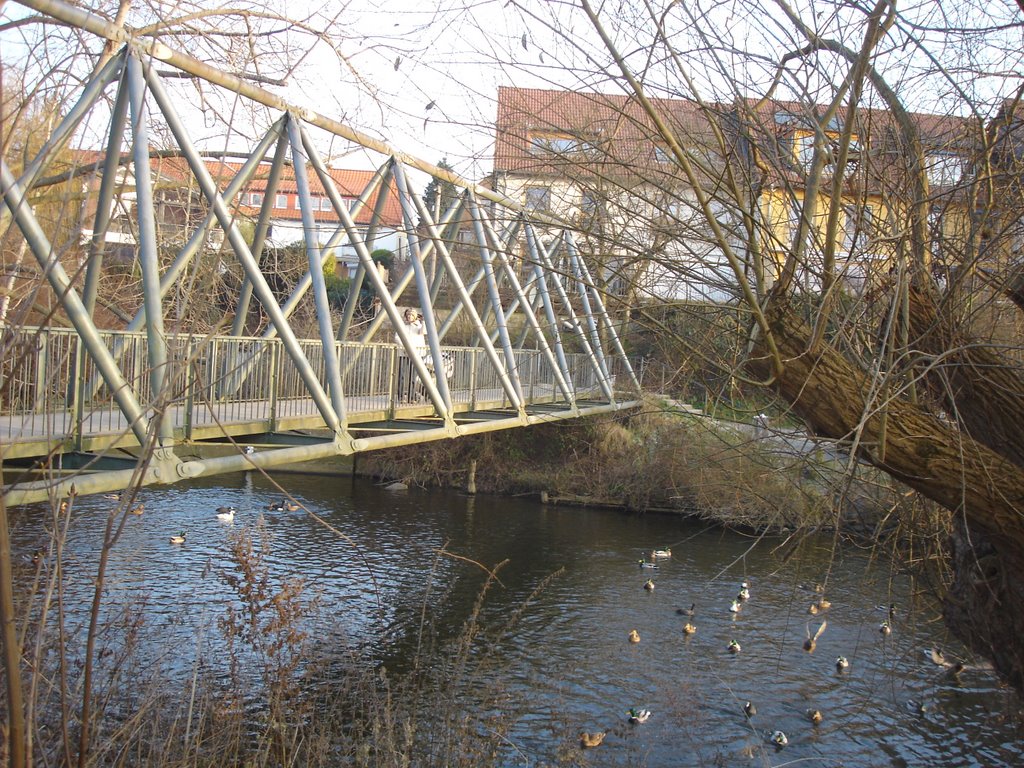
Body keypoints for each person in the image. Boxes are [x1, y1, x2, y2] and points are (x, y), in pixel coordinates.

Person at [395, 308, 426, 402]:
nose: (409, 316)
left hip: (416, 353)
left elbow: (423, 331)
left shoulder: (418, 326)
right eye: (408, 314)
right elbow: (397, 338)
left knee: (413, 376)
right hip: (403, 353)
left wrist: (423, 321)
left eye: (412, 315)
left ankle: (411, 397)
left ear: (415, 316)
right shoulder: (402, 326)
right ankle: (400, 397)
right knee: (402, 375)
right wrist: (405, 347)